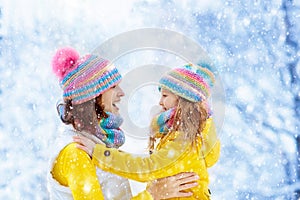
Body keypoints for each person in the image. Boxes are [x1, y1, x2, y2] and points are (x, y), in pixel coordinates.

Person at [47, 47, 199, 200]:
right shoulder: (76, 152)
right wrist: (152, 195)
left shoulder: (99, 144)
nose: (121, 93)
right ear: (92, 96)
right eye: (113, 87)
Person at [74, 63, 221, 199]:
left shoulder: (184, 139)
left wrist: (100, 154)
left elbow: (147, 167)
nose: (159, 102)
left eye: (165, 95)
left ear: (183, 100)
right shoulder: (188, 134)